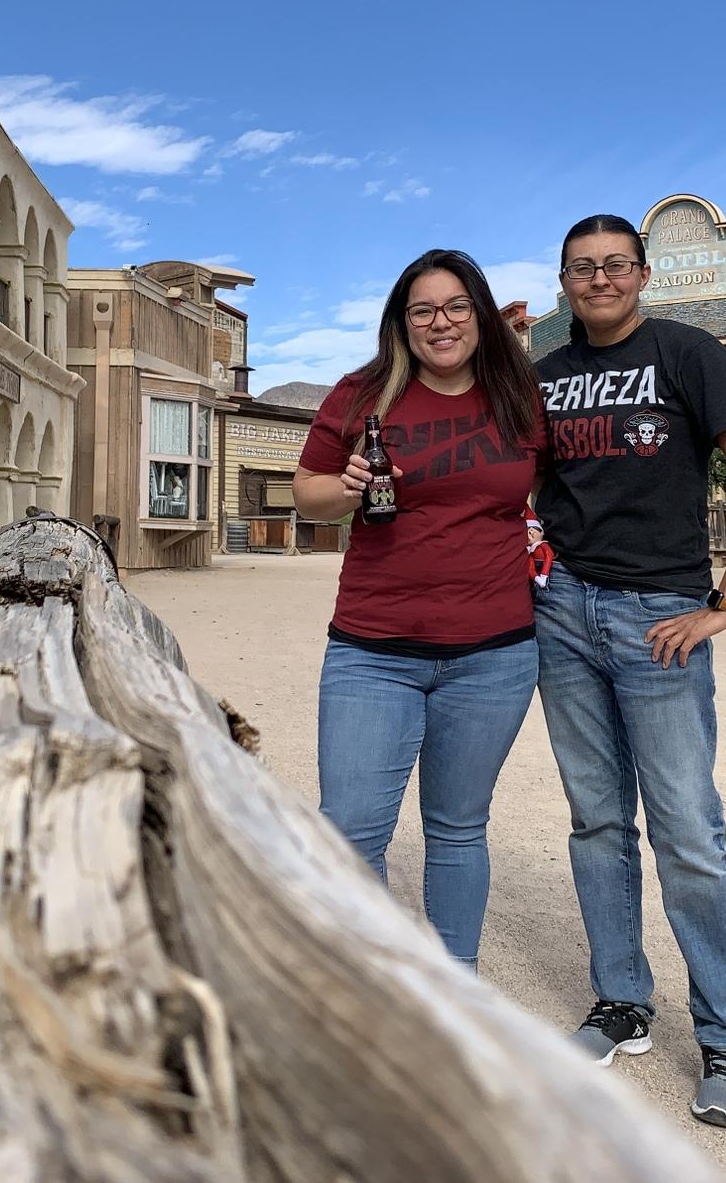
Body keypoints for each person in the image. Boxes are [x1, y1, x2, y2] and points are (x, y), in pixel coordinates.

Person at [531, 212, 726, 1129]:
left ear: (642, 275)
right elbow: (512, 486)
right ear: (564, 281)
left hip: (659, 619)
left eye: (614, 266)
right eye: (581, 268)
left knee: (686, 830)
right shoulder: (545, 375)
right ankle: (622, 1001)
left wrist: (723, 605)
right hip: (563, 613)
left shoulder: (687, 353)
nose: (598, 280)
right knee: (597, 819)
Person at [292, 249, 545, 971]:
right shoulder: (361, 393)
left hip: (494, 651)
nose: (442, 322)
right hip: (372, 650)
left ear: (480, 313)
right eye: (424, 310)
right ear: (401, 323)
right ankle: (380, 994)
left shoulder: (518, 396)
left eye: (457, 305)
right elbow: (305, 492)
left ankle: (453, 993)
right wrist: (343, 488)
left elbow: (550, 492)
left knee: (459, 829)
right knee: (351, 833)